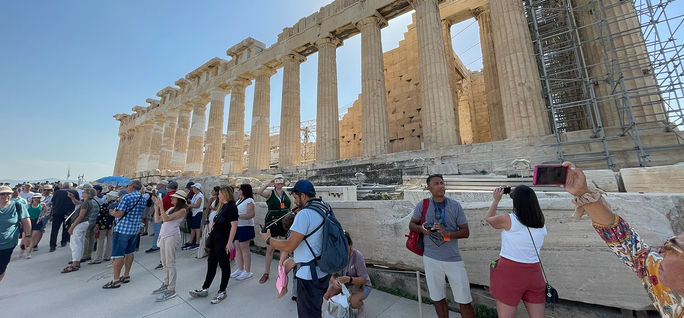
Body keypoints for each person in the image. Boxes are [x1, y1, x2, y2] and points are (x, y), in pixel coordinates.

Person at [561, 162, 682, 316]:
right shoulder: (661, 282)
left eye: (673, 246)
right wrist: (582, 192)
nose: (661, 250)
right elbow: (624, 241)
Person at [258, 180, 331, 318]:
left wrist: (268, 239)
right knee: (315, 309)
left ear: (303, 196)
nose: (295, 201)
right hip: (323, 270)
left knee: (307, 313)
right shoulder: (324, 206)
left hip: (309, 275)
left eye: (296, 198)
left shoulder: (304, 214)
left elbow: (289, 245)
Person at [408, 174, 475, 318]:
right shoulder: (423, 205)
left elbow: (465, 232)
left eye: (442, 183)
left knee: (465, 300)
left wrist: (447, 233)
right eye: (436, 183)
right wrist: (421, 229)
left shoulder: (455, 205)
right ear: (429, 187)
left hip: (453, 259)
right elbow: (412, 224)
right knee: (438, 298)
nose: (441, 186)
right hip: (431, 258)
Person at [485, 185, 547, 318]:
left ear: (516, 201)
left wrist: (496, 200)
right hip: (534, 272)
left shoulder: (508, 219)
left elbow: (489, 219)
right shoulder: (541, 223)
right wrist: (517, 192)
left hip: (510, 272)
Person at [190, 185, 239, 304]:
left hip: (223, 241)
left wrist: (229, 243)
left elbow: (234, 226)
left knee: (224, 265)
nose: (218, 196)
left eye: (220, 194)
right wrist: (211, 233)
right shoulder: (223, 206)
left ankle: (222, 291)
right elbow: (217, 222)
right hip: (215, 240)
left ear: (225, 195)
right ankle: (205, 288)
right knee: (211, 263)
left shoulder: (231, 207)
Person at [102, 180, 148, 289]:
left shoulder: (127, 197)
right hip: (134, 229)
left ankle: (116, 280)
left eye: (127, 185)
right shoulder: (143, 198)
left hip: (123, 229)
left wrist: (112, 213)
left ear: (131, 186)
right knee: (129, 252)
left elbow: (119, 214)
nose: (126, 187)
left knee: (118, 254)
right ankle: (126, 275)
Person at [151, 190, 188, 302]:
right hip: (164, 236)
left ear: (179, 200)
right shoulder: (172, 209)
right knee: (164, 262)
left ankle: (171, 289)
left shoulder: (182, 210)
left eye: (174, 198)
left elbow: (166, 219)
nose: (171, 199)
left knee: (170, 263)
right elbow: (158, 220)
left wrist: (161, 206)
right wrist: (157, 207)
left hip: (172, 236)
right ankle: (166, 283)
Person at [323, 232, 372, 317]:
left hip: (362, 286)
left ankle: (360, 306)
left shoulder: (357, 256)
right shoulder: (337, 256)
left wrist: (350, 279)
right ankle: (345, 309)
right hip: (345, 285)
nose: (342, 251)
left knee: (353, 302)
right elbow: (329, 273)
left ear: (350, 245)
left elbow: (364, 280)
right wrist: (334, 281)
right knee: (327, 295)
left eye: (345, 247)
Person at [256, 174, 292, 284]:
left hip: (283, 223)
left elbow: (290, 208)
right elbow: (259, 192)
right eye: (277, 181)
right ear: (275, 182)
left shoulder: (286, 195)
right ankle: (266, 272)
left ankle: (281, 273)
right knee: (270, 248)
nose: (279, 183)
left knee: (282, 248)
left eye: (281, 181)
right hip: (272, 222)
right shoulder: (270, 193)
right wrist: (268, 183)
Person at [62, 188, 99, 273]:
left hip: (80, 224)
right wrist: (72, 197)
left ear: (88, 194)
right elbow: (77, 203)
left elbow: (81, 216)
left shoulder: (86, 203)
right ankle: (77, 260)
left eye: (85, 192)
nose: (83, 192)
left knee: (75, 244)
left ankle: (75, 263)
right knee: (79, 242)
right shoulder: (87, 201)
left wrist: (72, 227)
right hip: (84, 223)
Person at [0, 185, 31, 285]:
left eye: (8, 193)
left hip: (8, 244)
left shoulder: (17, 206)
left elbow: (26, 221)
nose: (5, 196)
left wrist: (27, 236)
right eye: (2, 194)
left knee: (1, 268)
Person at [232, 184, 255, 280]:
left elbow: (251, 214)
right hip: (238, 226)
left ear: (244, 190)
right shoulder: (239, 200)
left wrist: (237, 215)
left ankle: (247, 271)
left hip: (245, 226)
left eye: (240, 189)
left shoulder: (250, 201)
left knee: (244, 248)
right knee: (238, 248)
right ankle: (240, 269)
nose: (238, 190)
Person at [50, 182, 80, 252]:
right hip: (69, 213)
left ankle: (52, 245)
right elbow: (77, 202)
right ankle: (64, 241)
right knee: (66, 228)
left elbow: (52, 203)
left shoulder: (57, 192)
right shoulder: (75, 192)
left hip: (57, 212)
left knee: (55, 229)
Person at [91, 191, 118, 264]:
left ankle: (98, 257)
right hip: (111, 224)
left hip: (102, 224)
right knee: (110, 240)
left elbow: (100, 216)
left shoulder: (105, 205)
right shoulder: (117, 205)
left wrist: (97, 225)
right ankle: (108, 256)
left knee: (100, 241)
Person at [20, 193, 47, 259]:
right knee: (25, 237)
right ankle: (23, 249)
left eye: (38, 198)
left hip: (37, 221)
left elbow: (45, 212)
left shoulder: (42, 205)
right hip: (29, 221)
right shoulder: (28, 205)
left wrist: (42, 216)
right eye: (35, 197)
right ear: (32, 199)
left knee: (33, 237)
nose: (36, 199)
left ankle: (28, 252)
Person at [183, 183, 204, 251]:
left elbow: (198, 205)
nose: (192, 188)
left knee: (197, 228)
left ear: (197, 188)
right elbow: (192, 202)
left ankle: (197, 242)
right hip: (194, 213)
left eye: (194, 187)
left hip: (198, 213)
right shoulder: (195, 195)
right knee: (192, 228)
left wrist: (189, 206)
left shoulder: (200, 195)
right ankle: (190, 241)